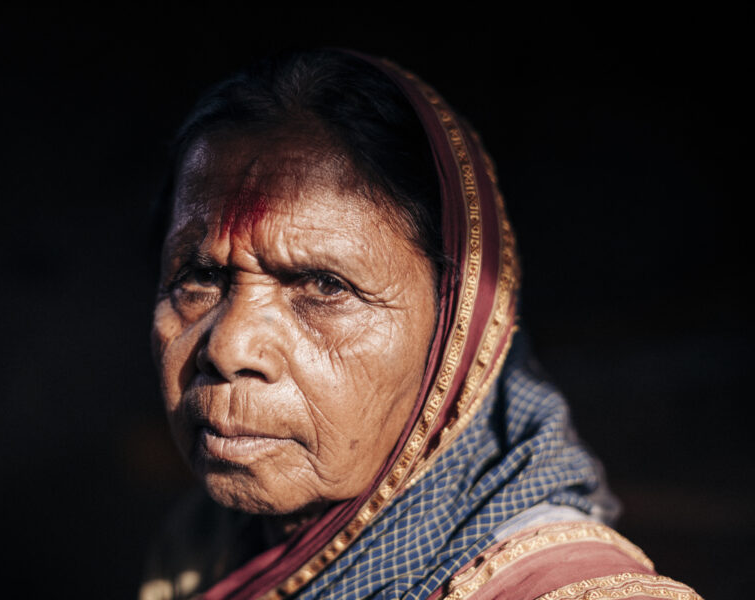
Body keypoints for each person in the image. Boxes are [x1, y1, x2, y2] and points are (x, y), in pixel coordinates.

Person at [143, 49, 701, 600]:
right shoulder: (204, 545)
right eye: (199, 276)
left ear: (455, 330)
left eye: (325, 286)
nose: (230, 346)